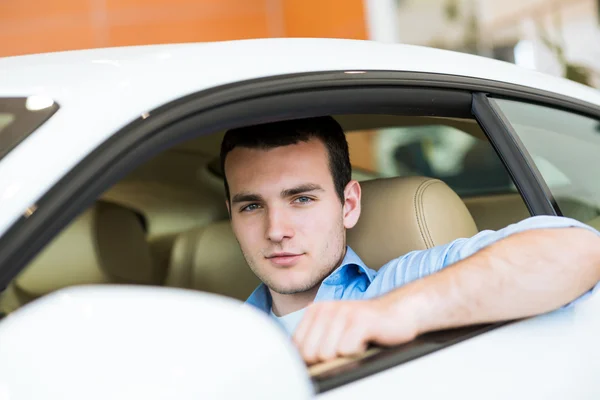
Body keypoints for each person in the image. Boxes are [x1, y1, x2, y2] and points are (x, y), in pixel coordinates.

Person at [220, 116, 600, 365]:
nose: (275, 229)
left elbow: (578, 250)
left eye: (301, 199)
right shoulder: (219, 334)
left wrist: (394, 313)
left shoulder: (399, 286)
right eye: (252, 206)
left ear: (348, 204)